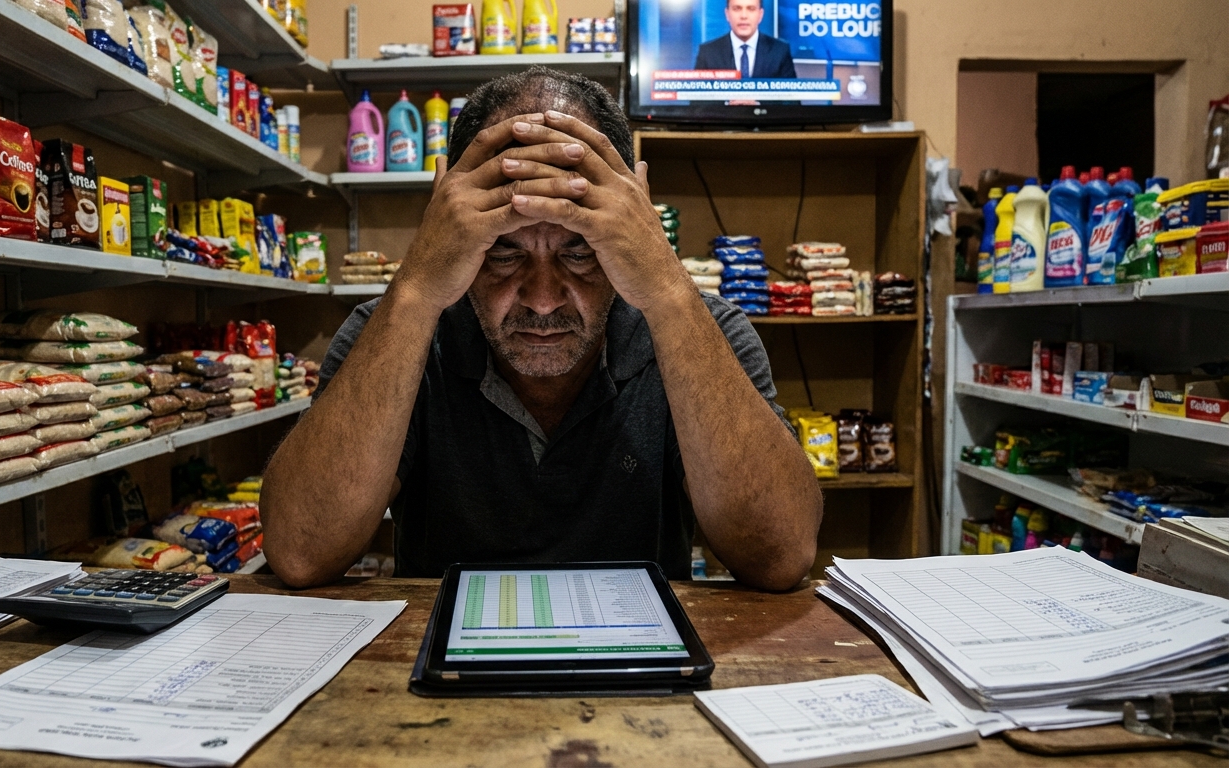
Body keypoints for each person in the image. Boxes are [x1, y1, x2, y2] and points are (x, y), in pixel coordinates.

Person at [262, 67, 821, 591]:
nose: (545, 300)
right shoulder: (392, 330)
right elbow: (302, 552)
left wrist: (668, 290)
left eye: (580, 253)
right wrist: (416, 289)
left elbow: (780, 555)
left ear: (636, 218)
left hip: (646, 679)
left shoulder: (706, 330)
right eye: (503, 254)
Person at [693, 0, 797, 80]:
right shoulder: (708, 52)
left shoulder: (779, 51)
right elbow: (697, 102)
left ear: (760, 15)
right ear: (727, 14)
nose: (743, 16)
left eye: (751, 9)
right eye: (737, 9)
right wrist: (728, 103)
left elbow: (791, 102)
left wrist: (758, 104)